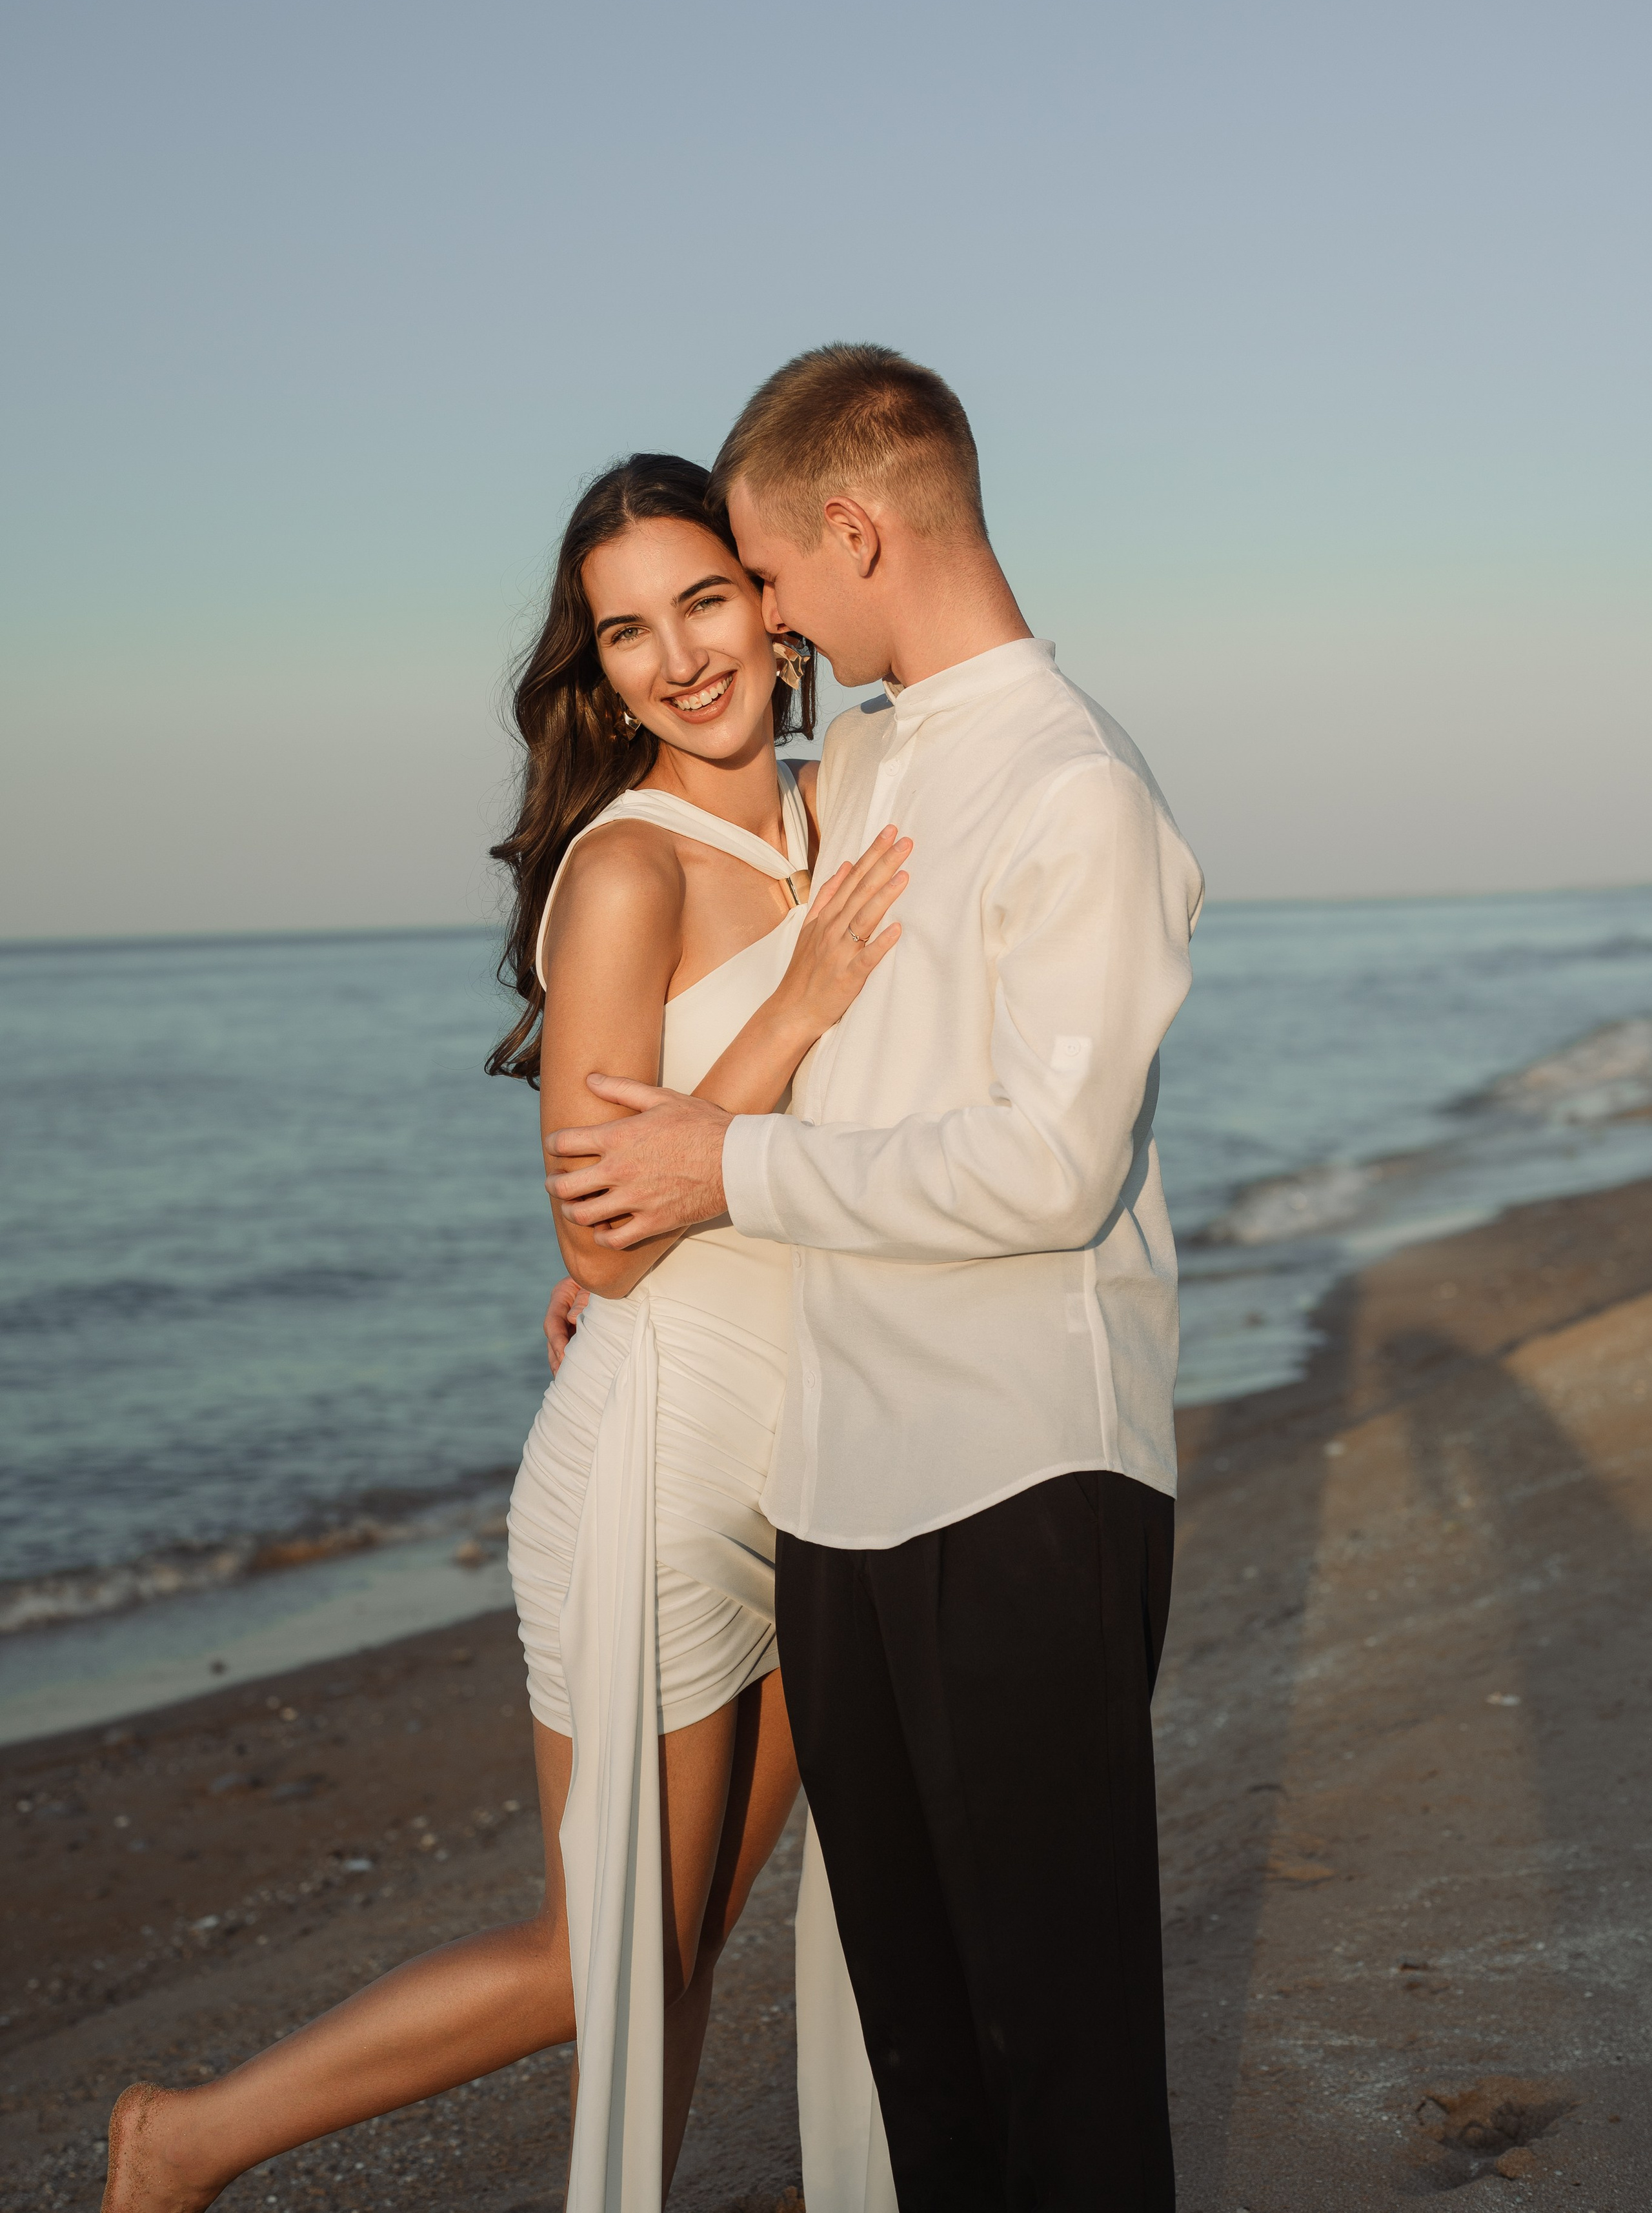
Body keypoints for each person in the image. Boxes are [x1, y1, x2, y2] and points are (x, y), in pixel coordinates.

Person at [102, 454, 904, 2213]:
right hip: (662, 1476)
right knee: (599, 1954)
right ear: (591, 666)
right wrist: (802, 1015)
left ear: (775, 604)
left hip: (823, 1459)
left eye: (704, 599)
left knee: (686, 1952)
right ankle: (182, 2142)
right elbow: (601, 1248)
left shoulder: (842, 805)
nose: (678, 656)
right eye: (627, 629)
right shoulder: (627, 871)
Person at [547, 349, 1205, 2213]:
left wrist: (715, 1163)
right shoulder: (890, 748)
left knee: (1057, 2063)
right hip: (837, 1488)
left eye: (756, 578)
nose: (753, 625)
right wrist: (639, 1270)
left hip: (1024, 1481)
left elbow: (1047, 1165)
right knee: (914, 2056)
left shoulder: (1079, 791)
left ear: (851, 536)